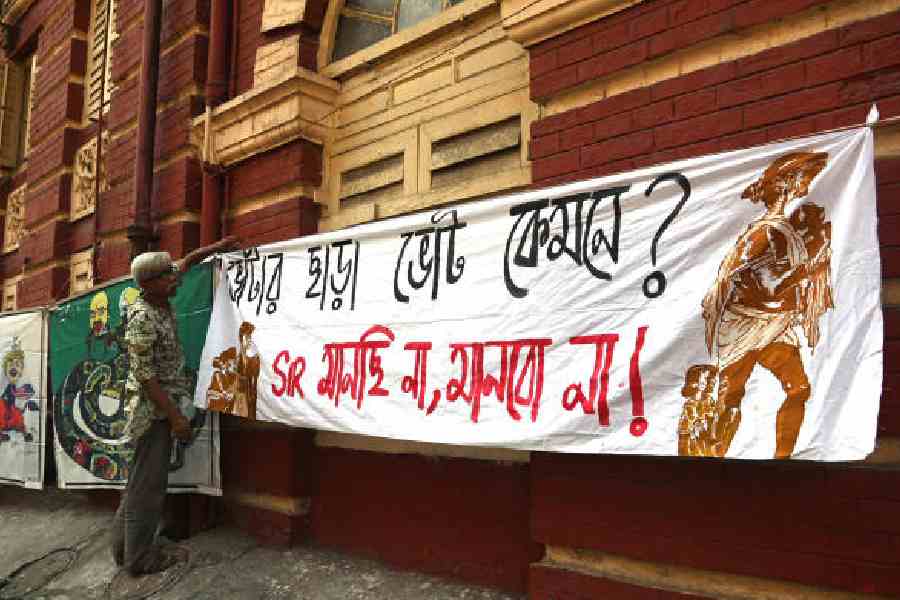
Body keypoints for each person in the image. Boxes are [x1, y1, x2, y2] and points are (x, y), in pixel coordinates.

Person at [111, 236, 238, 576]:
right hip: (151, 414)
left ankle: (123, 550)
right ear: (149, 284)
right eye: (167, 277)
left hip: (158, 409)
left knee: (139, 481)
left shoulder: (160, 290)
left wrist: (214, 248)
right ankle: (140, 559)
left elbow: (186, 263)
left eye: (172, 274)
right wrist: (176, 417)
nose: (175, 279)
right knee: (148, 487)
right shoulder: (142, 318)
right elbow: (147, 378)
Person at [700, 152, 832, 459]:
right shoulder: (769, 231)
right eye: (803, 178)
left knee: (798, 389)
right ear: (786, 184)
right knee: (731, 395)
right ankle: (713, 459)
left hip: (775, 324)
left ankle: (783, 459)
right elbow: (769, 285)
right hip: (746, 324)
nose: (808, 184)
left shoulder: (784, 229)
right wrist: (810, 268)